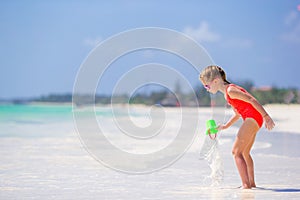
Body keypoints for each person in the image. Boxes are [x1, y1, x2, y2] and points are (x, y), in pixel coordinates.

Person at [199, 65, 275, 189]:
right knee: (245, 152)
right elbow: (238, 114)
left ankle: (245, 185)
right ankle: (251, 184)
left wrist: (266, 116)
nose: (206, 89)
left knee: (236, 152)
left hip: (253, 118)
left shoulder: (230, 91)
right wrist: (224, 126)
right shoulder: (227, 94)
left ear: (216, 81)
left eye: (207, 86)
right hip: (253, 119)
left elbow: (251, 99)